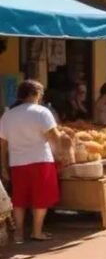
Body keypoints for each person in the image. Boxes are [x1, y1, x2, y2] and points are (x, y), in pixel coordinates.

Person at [0, 80, 70, 243]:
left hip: (17, 162)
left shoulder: (8, 115)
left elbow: (2, 145)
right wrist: (64, 148)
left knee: (19, 199)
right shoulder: (42, 112)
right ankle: (37, 232)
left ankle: (18, 234)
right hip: (40, 161)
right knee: (41, 198)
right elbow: (54, 138)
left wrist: (3, 167)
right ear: (35, 94)